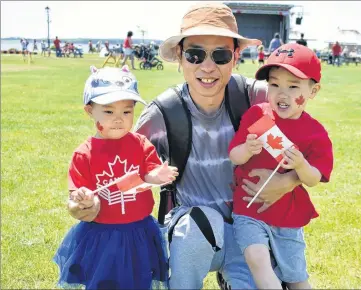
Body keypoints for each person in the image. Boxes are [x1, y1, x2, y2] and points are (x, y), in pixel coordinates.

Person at [67, 2, 304, 289]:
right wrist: (91, 204)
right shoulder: (164, 112)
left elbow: (311, 143)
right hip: (195, 230)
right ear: (180, 57)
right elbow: (118, 163)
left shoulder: (258, 96)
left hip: (251, 230)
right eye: (194, 54)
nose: (207, 67)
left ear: (236, 57)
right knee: (198, 224)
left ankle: (234, 275)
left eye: (220, 55)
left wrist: (288, 180)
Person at [53, 65, 177, 289]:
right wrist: (83, 200)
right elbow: (76, 198)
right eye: (109, 112)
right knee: (103, 281)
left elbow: (148, 172)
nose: (119, 119)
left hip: (139, 231)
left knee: (140, 279)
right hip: (101, 235)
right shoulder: (85, 153)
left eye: (127, 112)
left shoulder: (139, 144)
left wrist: (157, 175)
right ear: (89, 111)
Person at [229, 43, 333, 290]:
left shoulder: (315, 133)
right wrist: (247, 149)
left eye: (293, 86)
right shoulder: (257, 115)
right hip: (248, 210)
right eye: (274, 85)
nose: (281, 94)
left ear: (313, 91)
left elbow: (314, 178)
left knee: (296, 276)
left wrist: (301, 165)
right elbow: (234, 155)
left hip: (288, 217)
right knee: (256, 258)